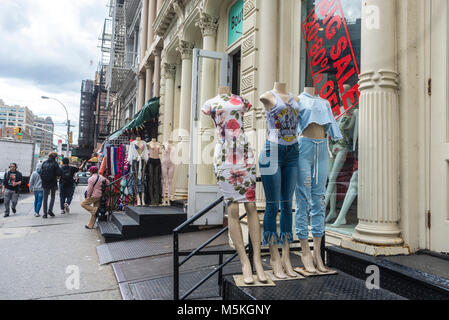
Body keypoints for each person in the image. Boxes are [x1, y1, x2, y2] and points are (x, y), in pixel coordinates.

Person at [40, 152, 62, 219]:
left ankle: (44, 213)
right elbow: (58, 173)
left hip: (45, 183)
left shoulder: (44, 163)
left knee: (45, 198)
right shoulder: (55, 164)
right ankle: (50, 210)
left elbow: (41, 173)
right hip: (53, 182)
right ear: (55, 157)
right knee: (52, 196)